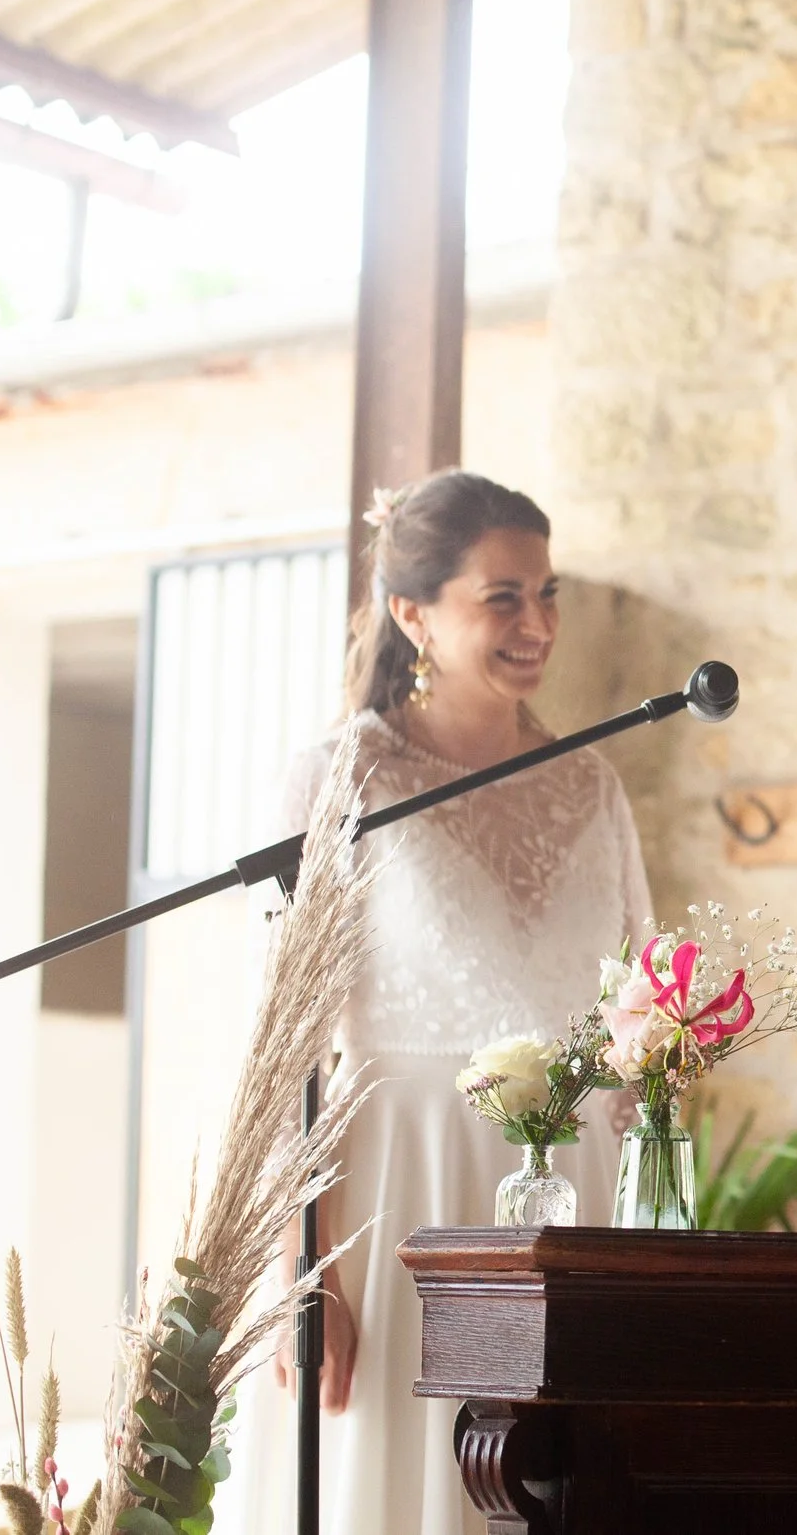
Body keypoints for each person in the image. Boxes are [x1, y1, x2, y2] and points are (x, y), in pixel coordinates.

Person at [238, 469, 653, 1535]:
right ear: (413, 613)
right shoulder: (343, 779)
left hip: (570, 1208)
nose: (537, 623)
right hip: (402, 1195)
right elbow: (284, 1050)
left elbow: (641, 1013)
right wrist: (301, 1269)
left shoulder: (592, 784)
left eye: (547, 593)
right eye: (502, 596)